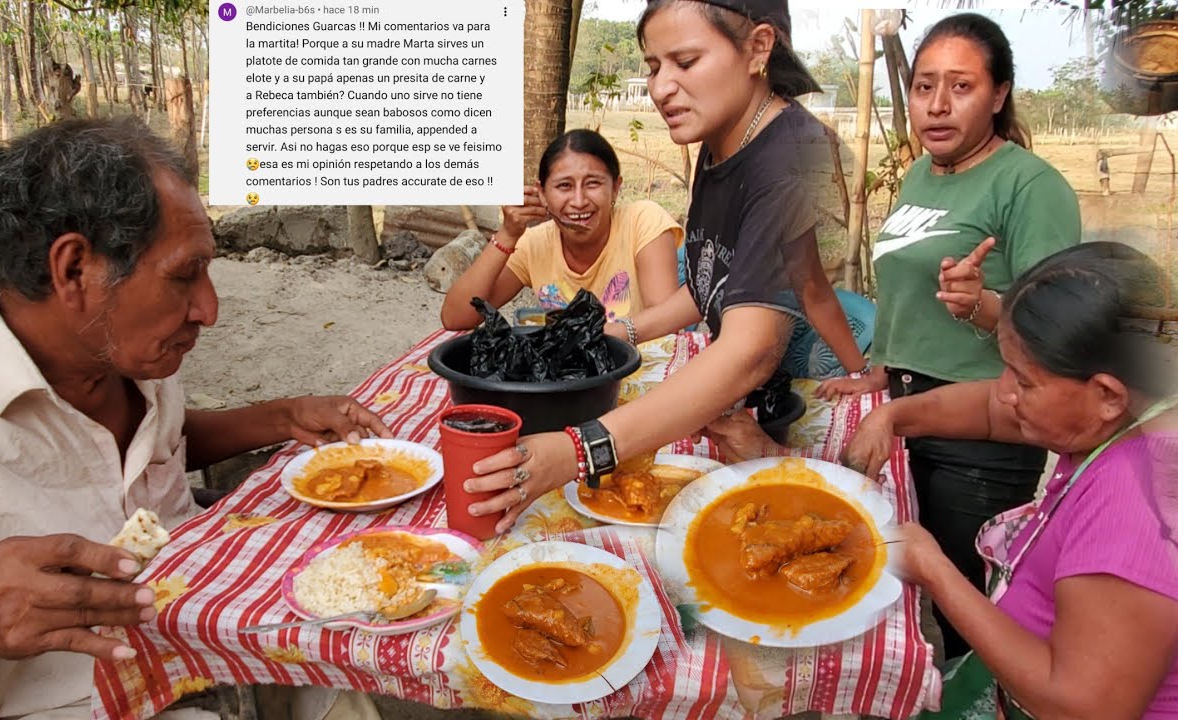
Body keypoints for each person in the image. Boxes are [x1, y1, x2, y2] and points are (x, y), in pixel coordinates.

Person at [0, 118, 390, 720]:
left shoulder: (120, 350)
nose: (208, 309)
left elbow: (156, 446)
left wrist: (284, 416)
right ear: (74, 269)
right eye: (185, 274)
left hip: (226, 640)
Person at [458, 0, 867, 535]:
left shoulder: (788, 159)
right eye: (654, 67)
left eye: (686, 62)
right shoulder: (723, 145)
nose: (660, 87)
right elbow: (720, 284)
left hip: (782, 403)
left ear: (758, 48)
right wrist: (621, 331)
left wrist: (580, 449)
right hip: (740, 411)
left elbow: (750, 349)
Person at [814, 13, 1081, 658]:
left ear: (999, 94)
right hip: (909, 410)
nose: (936, 105)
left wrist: (983, 305)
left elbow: (1060, 333)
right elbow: (906, 291)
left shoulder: (1030, 186)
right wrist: (882, 367)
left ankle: (988, 696)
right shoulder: (920, 175)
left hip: (984, 434)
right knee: (915, 586)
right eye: (924, 86)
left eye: (961, 87)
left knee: (973, 609)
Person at [845, 242, 1178, 717]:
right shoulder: (1131, 413)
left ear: (1108, 394)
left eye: (1023, 380)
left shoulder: (1136, 507)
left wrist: (933, 568)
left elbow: (1080, 709)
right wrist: (892, 416)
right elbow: (988, 409)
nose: (1005, 392)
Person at [440, 129, 682, 330]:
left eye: (593, 183)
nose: (579, 201)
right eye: (564, 186)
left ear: (616, 188)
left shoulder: (642, 221)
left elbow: (666, 321)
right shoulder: (533, 244)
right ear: (542, 193)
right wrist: (508, 234)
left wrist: (596, 336)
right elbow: (456, 318)